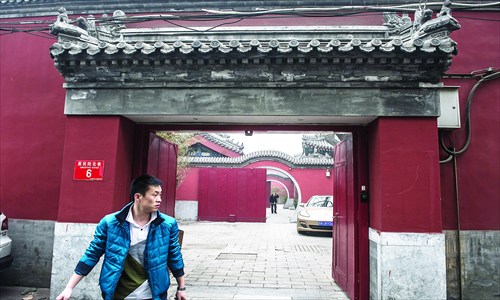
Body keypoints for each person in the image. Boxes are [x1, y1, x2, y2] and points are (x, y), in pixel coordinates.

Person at [56, 175, 187, 300]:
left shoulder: (167, 224)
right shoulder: (111, 223)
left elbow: (174, 256)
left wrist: (181, 287)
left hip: (153, 294)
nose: (159, 199)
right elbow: (92, 254)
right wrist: (69, 287)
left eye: (160, 194)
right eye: (154, 195)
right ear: (138, 197)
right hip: (118, 294)